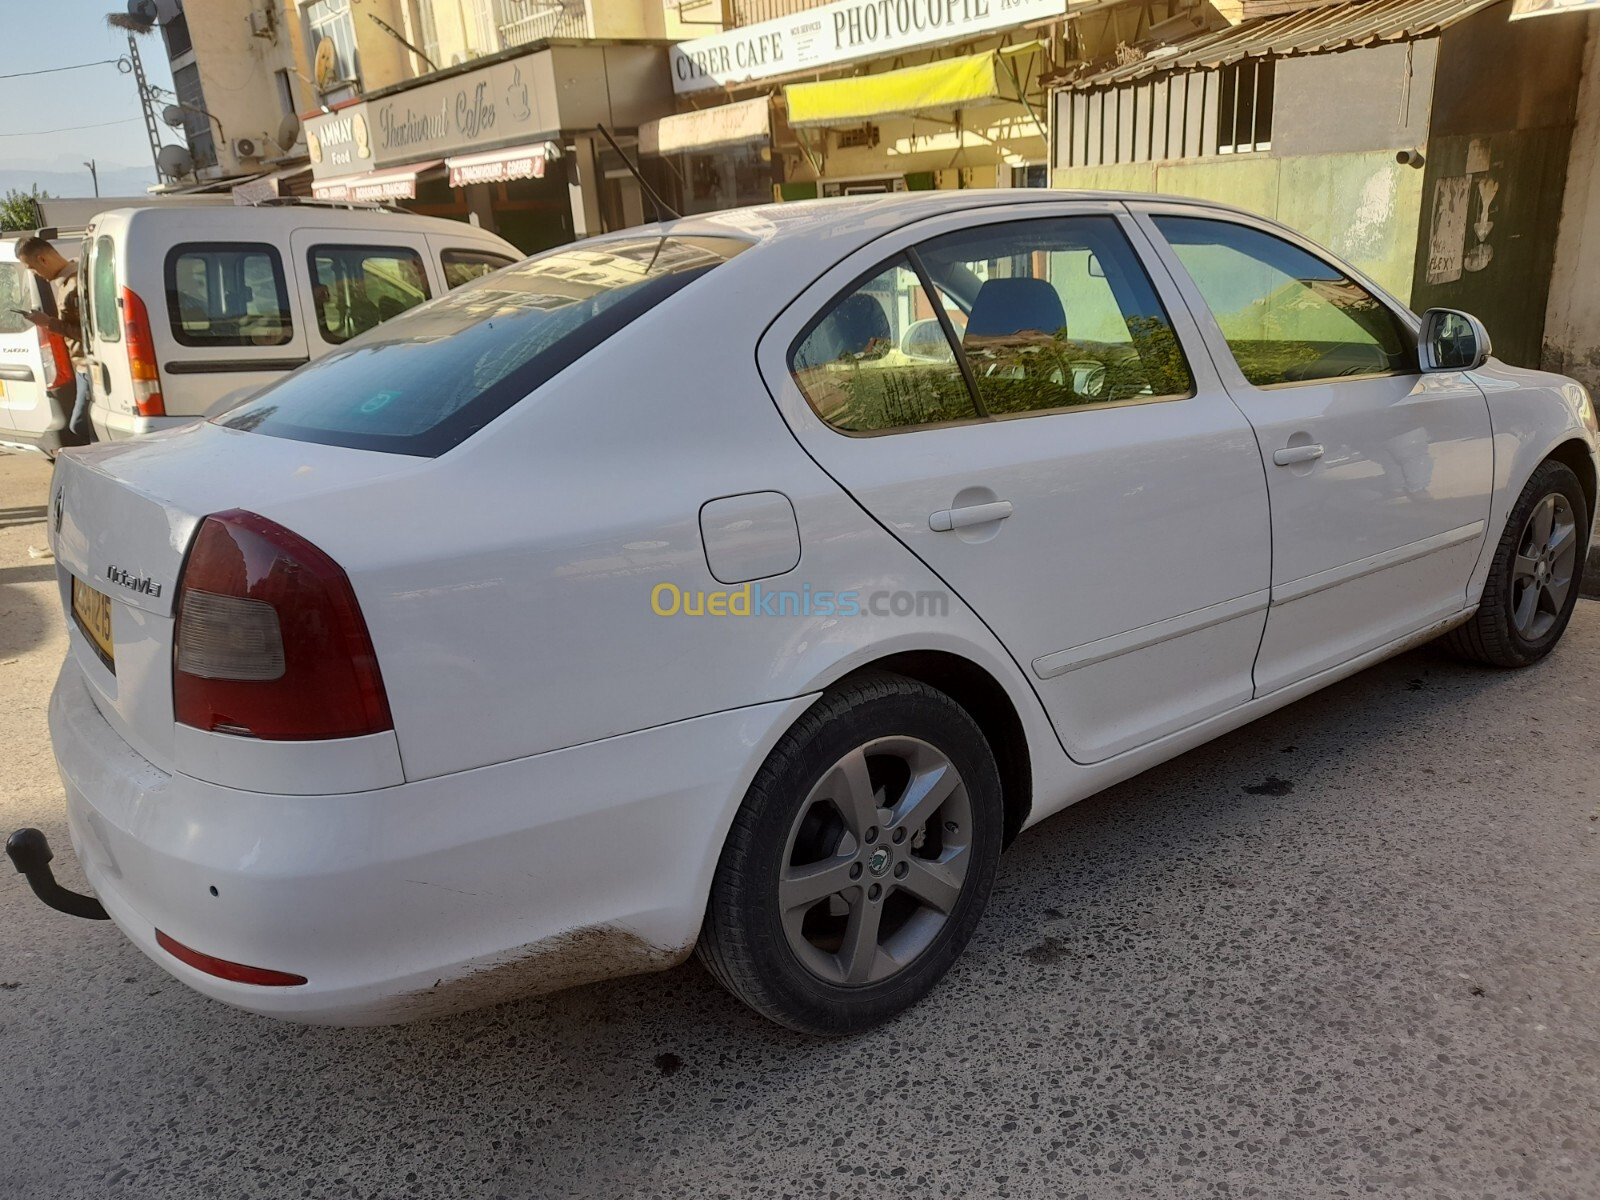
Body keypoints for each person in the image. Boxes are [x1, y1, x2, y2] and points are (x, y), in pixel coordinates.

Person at [15, 235, 93, 442]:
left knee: (82, 425)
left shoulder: (74, 285)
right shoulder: (68, 281)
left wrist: (49, 324)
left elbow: (90, 334)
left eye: (31, 267)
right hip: (82, 368)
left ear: (42, 259)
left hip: (89, 367)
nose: (35, 274)